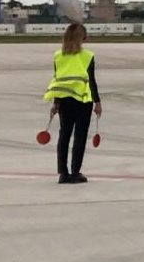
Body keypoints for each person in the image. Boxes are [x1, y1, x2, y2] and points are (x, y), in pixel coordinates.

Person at [42, 22, 101, 184]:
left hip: (64, 100)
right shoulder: (88, 56)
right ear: (83, 38)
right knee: (80, 136)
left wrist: (56, 102)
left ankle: (63, 173)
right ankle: (75, 172)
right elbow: (91, 81)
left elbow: (58, 79)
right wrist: (97, 101)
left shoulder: (58, 56)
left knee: (64, 135)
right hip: (83, 100)